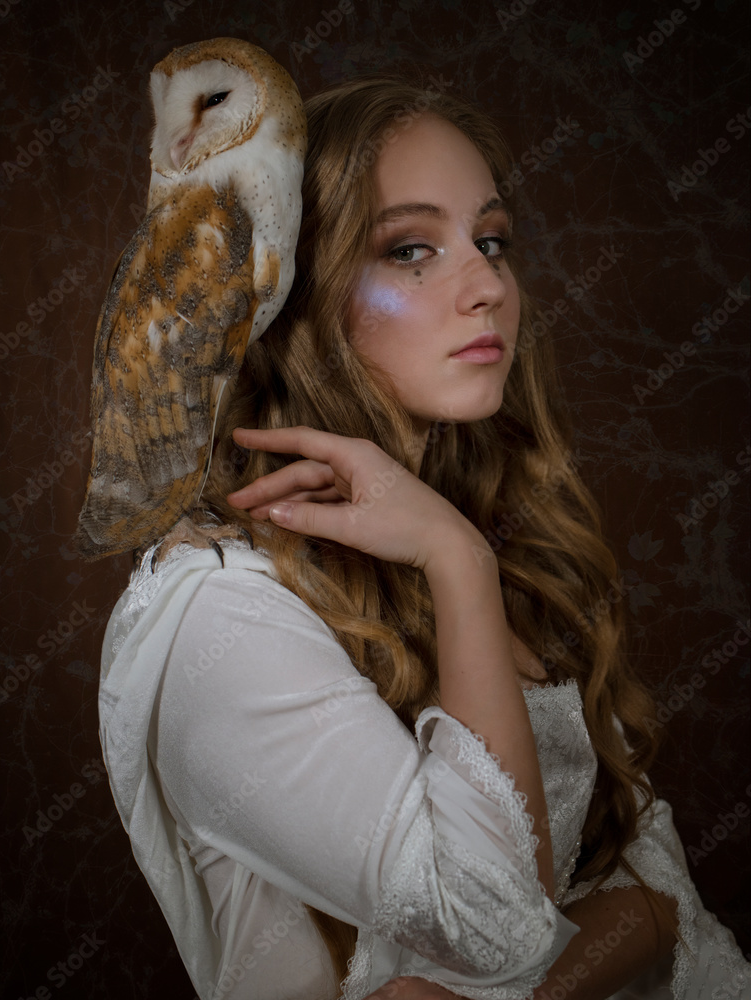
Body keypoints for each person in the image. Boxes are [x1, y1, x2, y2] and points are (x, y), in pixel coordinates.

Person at [97, 75, 750, 1000]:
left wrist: (458, 550)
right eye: (410, 250)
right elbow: (498, 930)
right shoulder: (220, 613)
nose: (488, 286)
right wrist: (457, 563)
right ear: (291, 292)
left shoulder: (504, 534)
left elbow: (654, 874)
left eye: (492, 241)